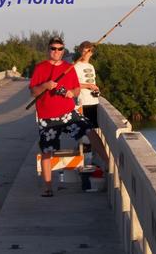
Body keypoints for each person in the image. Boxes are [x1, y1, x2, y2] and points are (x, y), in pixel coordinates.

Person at [29, 36, 108, 197]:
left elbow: (77, 89)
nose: (56, 52)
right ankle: (48, 187)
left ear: (63, 50)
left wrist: (72, 93)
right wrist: (45, 85)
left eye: (59, 49)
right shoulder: (40, 68)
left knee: (90, 131)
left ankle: (109, 163)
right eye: (53, 48)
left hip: (68, 114)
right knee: (46, 151)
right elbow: (33, 92)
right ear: (48, 50)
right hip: (47, 117)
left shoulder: (69, 67)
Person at [74, 41, 100, 128]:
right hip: (83, 102)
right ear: (80, 52)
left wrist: (95, 88)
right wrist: (88, 86)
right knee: (86, 130)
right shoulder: (76, 66)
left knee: (94, 127)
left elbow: (93, 82)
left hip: (94, 101)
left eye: (87, 51)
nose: (85, 54)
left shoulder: (91, 66)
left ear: (91, 53)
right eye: (83, 51)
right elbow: (73, 84)